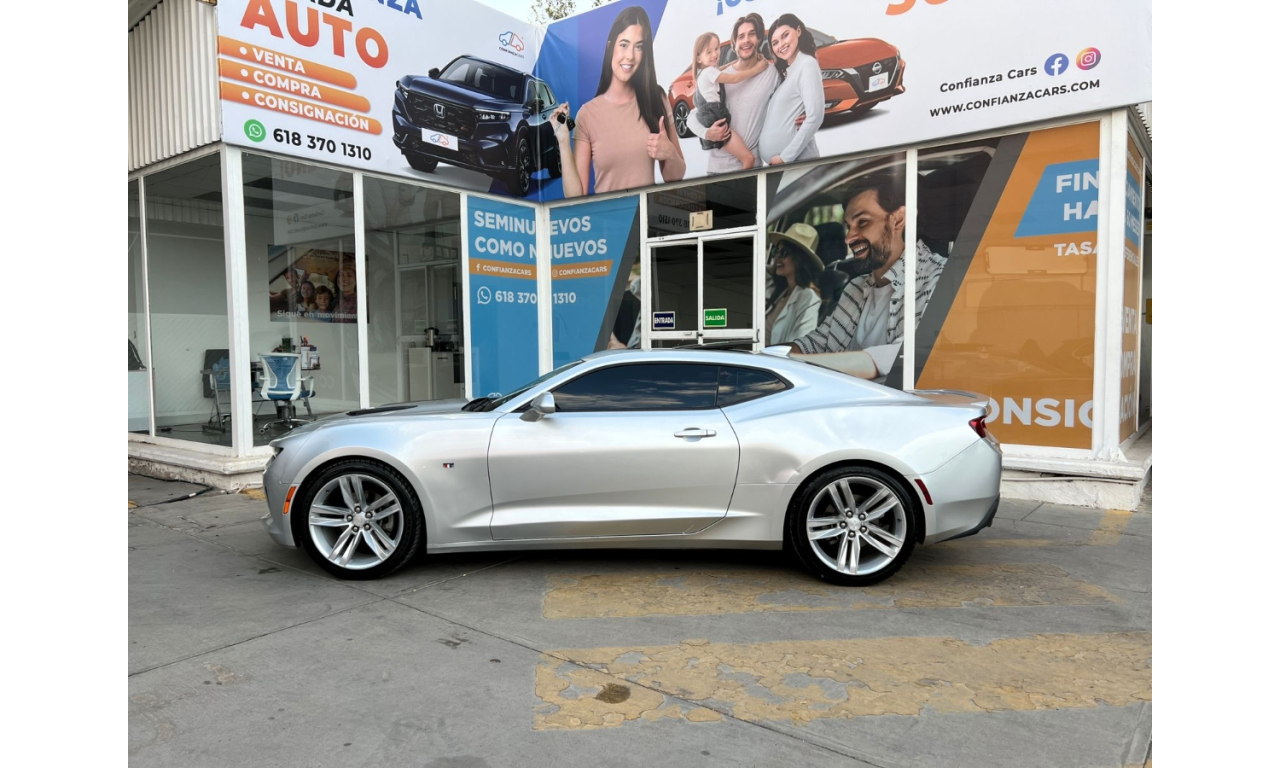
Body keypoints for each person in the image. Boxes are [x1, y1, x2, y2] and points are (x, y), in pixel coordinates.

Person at [788, 173, 947, 380]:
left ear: (899, 220)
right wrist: (768, 357)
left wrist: (794, 364)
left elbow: (909, 356)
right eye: (848, 226)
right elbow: (814, 344)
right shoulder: (856, 288)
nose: (848, 238)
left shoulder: (940, 278)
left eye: (862, 222)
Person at [554, 6, 685, 197]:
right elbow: (576, 196)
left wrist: (670, 153)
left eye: (638, 46)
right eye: (624, 44)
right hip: (608, 216)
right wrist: (563, 142)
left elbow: (675, 177)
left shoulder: (656, 98)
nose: (630, 55)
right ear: (610, 47)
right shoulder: (587, 114)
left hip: (646, 214)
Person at [684, 13, 780, 175]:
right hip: (717, 172)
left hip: (752, 172)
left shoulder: (771, 73)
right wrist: (707, 133)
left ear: (759, 39)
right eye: (741, 36)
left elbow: (789, 101)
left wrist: (804, 115)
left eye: (751, 34)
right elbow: (693, 116)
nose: (746, 40)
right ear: (734, 43)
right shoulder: (719, 77)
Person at [759, 14, 825, 167]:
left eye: (785, 35)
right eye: (775, 43)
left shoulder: (807, 64)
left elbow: (815, 116)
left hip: (799, 164)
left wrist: (785, 157)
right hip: (789, 166)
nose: (781, 44)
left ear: (798, 31)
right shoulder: (790, 72)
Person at [764, 223, 823, 346]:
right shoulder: (779, 288)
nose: (777, 257)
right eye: (776, 251)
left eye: (783, 252)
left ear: (800, 259)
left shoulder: (809, 299)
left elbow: (800, 346)